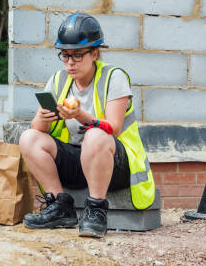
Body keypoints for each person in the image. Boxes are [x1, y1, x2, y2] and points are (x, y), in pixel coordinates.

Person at [19, 13, 155, 238]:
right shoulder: (58, 81)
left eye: (77, 55)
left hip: (115, 165)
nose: (70, 63)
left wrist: (80, 115)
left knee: (96, 135)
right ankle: (61, 206)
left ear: (95, 53)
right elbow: (37, 129)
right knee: (29, 138)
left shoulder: (114, 78)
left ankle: (95, 209)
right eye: (65, 56)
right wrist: (43, 117)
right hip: (78, 161)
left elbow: (114, 127)